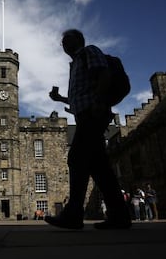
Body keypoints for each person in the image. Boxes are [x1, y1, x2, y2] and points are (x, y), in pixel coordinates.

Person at [45, 29, 131, 229]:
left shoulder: (89, 51)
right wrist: (60, 99)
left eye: (67, 39)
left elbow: (103, 74)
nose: (64, 44)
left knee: (76, 158)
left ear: (78, 40)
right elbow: (82, 94)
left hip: (93, 115)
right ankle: (120, 216)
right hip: (86, 114)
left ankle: (73, 215)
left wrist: (99, 103)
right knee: (99, 168)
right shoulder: (75, 64)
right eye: (62, 42)